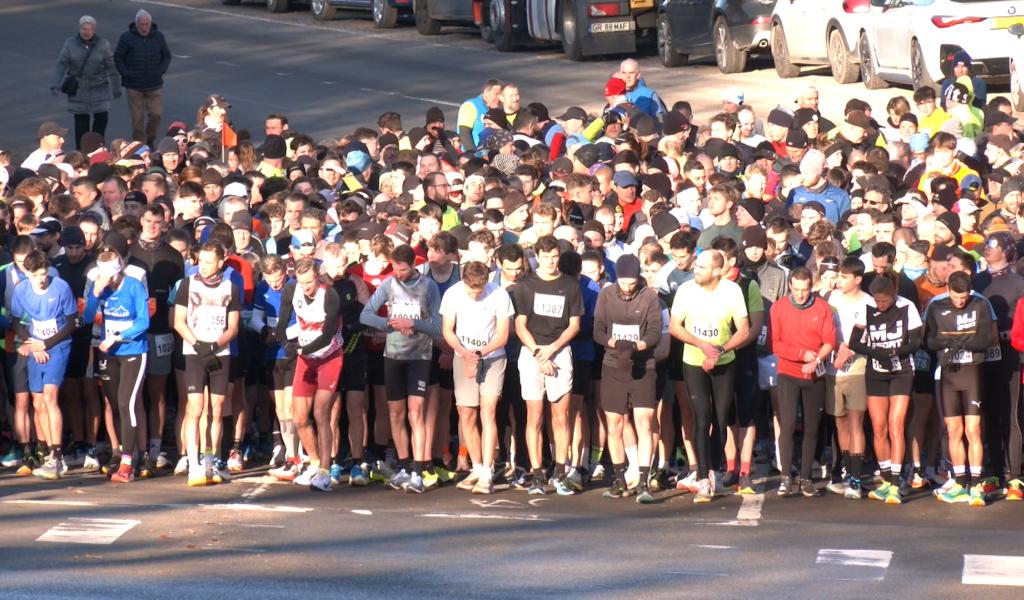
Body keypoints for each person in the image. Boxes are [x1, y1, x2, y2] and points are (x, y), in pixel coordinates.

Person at [359, 244, 442, 495]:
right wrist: (390, 324)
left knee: (416, 413)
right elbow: (366, 314)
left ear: (413, 265)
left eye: (403, 269)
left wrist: (413, 324)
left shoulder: (429, 286)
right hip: (393, 355)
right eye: (395, 269)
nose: (399, 274)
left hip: (420, 356)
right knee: (396, 413)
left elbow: (438, 326)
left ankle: (418, 470)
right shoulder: (388, 283)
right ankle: (404, 467)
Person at [669, 250, 749, 503]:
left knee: (722, 417)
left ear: (717, 271)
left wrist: (721, 350)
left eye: (702, 267)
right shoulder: (685, 290)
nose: (696, 269)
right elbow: (675, 327)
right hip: (694, 361)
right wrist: (701, 345)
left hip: (724, 360)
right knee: (702, 418)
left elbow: (744, 330)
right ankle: (703, 478)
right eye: (696, 265)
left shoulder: (732, 291)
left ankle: (713, 468)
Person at [512, 236, 583, 496]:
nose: (551, 261)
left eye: (554, 256)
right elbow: (520, 324)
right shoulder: (525, 285)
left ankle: (561, 473)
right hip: (532, 353)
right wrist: (538, 353)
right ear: (537, 257)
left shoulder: (570, 284)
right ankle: (538, 474)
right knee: (534, 416)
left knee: (561, 417)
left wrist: (552, 350)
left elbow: (574, 325)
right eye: (545, 257)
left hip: (560, 352)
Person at [593, 254, 663, 503]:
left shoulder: (649, 297)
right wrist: (617, 344)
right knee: (615, 424)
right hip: (613, 364)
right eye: (623, 283)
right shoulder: (606, 295)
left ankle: (644, 479)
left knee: (644, 421)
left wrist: (637, 346)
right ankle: (620, 478)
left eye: (631, 283)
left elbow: (655, 331)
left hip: (643, 365)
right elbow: (598, 330)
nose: (627, 287)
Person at [849, 272, 923, 505]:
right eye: (877, 301)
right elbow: (854, 341)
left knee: (896, 424)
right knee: (878, 426)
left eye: (885, 301)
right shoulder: (867, 306)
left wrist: (893, 352)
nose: (881, 305)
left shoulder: (906, 306)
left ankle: (897, 477)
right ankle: (886, 477)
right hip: (876, 372)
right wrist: (875, 352)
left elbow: (915, 342)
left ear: (893, 295)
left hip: (901, 370)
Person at [441, 261, 513, 495]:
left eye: (480, 290)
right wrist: (464, 354)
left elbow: (503, 336)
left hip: (492, 356)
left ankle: (488, 471)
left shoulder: (499, 295)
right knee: (465, 412)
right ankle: (477, 466)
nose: (476, 294)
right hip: (464, 355)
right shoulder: (452, 294)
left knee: (488, 410)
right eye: (472, 290)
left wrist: (480, 354)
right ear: (464, 281)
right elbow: (447, 330)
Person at [173, 241, 241, 487]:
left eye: (209, 261)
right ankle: (194, 462)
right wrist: (199, 345)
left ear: (221, 262)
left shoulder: (230, 287)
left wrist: (215, 346)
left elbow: (232, 327)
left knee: (217, 407)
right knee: (195, 407)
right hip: (193, 352)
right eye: (200, 260)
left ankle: (211, 460)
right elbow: (179, 322)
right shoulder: (187, 285)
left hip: (220, 354)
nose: (203, 266)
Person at [275, 257, 345, 492]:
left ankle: (325, 471)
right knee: (300, 417)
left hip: (329, 356)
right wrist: (287, 346)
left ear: (317, 277)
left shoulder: (330, 295)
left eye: (310, 282)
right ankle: (314, 463)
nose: (306, 287)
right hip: (306, 358)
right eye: (302, 282)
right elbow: (281, 324)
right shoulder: (290, 291)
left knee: (320, 412)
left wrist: (302, 350)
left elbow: (327, 335)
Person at [926, 271, 994, 506]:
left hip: (971, 373)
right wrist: (948, 344)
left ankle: (976, 484)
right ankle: (960, 482)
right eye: (956, 298)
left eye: (963, 298)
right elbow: (930, 341)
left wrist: (958, 342)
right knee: (953, 429)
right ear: (948, 289)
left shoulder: (980, 305)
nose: (960, 302)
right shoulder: (937, 306)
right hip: (949, 376)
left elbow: (985, 340)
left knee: (973, 429)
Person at [82, 250, 149, 483]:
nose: (108, 280)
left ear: (119, 269)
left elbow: (144, 320)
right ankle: (121, 452)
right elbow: (89, 317)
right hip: (109, 353)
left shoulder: (133, 286)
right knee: (114, 404)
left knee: (126, 402)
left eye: (110, 275)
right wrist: (95, 293)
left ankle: (129, 462)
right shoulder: (101, 286)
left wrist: (119, 336)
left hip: (133, 351)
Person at [10, 250, 78, 480]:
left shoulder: (60, 287)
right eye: (36, 274)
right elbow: (16, 321)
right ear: (26, 273)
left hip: (58, 345)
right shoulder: (21, 290)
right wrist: (31, 344)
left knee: (50, 397)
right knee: (37, 402)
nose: (41, 279)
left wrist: (45, 344)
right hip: (36, 346)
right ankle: (48, 453)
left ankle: (58, 457)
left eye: (44, 273)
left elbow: (72, 322)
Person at [770, 267, 836, 497]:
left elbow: (830, 341)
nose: (800, 295)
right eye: (796, 290)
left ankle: (806, 477)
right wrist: (801, 354)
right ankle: (786, 476)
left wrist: (817, 358)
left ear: (812, 287)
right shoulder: (778, 307)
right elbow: (776, 345)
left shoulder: (822, 307)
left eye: (805, 290)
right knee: (787, 425)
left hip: (814, 374)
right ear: (790, 286)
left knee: (812, 427)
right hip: (788, 372)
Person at [827, 257, 874, 500]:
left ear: (857, 279)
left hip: (856, 368)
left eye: (845, 277)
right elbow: (827, 328)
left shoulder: (868, 302)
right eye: (839, 276)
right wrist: (835, 348)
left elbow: (865, 334)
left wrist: (847, 351)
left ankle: (856, 478)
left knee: (856, 422)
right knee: (840, 421)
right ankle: (844, 472)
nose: (839, 280)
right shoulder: (832, 298)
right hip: (832, 369)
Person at [50, 15, 121, 150]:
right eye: (84, 28)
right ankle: (81, 152)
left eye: (89, 29)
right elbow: (61, 64)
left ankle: (98, 148)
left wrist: (116, 87)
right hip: (79, 90)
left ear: (94, 30)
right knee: (81, 124)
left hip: (99, 89)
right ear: (79, 29)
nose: (86, 32)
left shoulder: (103, 44)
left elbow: (112, 67)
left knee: (101, 120)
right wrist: (55, 82)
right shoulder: (70, 43)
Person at [114, 9, 171, 146]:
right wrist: (125, 73)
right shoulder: (126, 37)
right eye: (142, 24)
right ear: (136, 24)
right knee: (137, 119)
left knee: (156, 115)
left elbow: (166, 56)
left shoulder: (158, 37)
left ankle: (150, 140)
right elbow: (118, 57)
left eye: (147, 24)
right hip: (134, 85)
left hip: (154, 84)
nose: (145, 28)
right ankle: (140, 144)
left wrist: (160, 71)